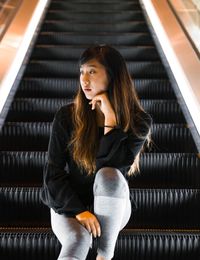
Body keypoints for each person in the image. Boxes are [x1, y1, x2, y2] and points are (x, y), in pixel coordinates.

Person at [40, 44, 152, 260]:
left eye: (92, 71)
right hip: (71, 203)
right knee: (78, 239)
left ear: (112, 76)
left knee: (109, 175)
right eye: (81, 72)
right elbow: (52, 174)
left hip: (114, 203)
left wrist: (111, 121)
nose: (84, 79)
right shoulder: (66, 117)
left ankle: (104, 256)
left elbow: (112, 172)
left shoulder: (138, 122)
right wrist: (80, 211)